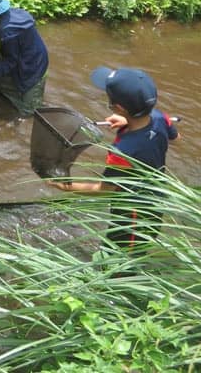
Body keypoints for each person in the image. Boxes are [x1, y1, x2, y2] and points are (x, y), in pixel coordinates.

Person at [50, 66, 179, 252]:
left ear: (118, 108)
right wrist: (129, 122)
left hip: (133, 214)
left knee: (120, 254)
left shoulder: (122, 151)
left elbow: (104, 190)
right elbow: (175, 139)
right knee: (140, 245)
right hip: (156, 199)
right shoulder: (161, 118)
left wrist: (66, 186)